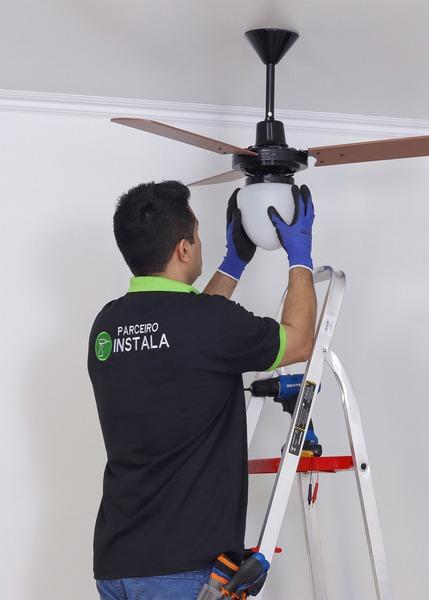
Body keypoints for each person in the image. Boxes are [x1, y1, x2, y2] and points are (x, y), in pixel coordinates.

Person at [88, 180, 317, 600]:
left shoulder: (107, 326)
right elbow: (300, 342)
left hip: (116, 563)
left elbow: (185, 333)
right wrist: (300, 257)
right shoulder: (206, 323)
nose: (199, 241)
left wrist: (233, 265)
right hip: (182, 569)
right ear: (183, 249)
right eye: (195, 234)